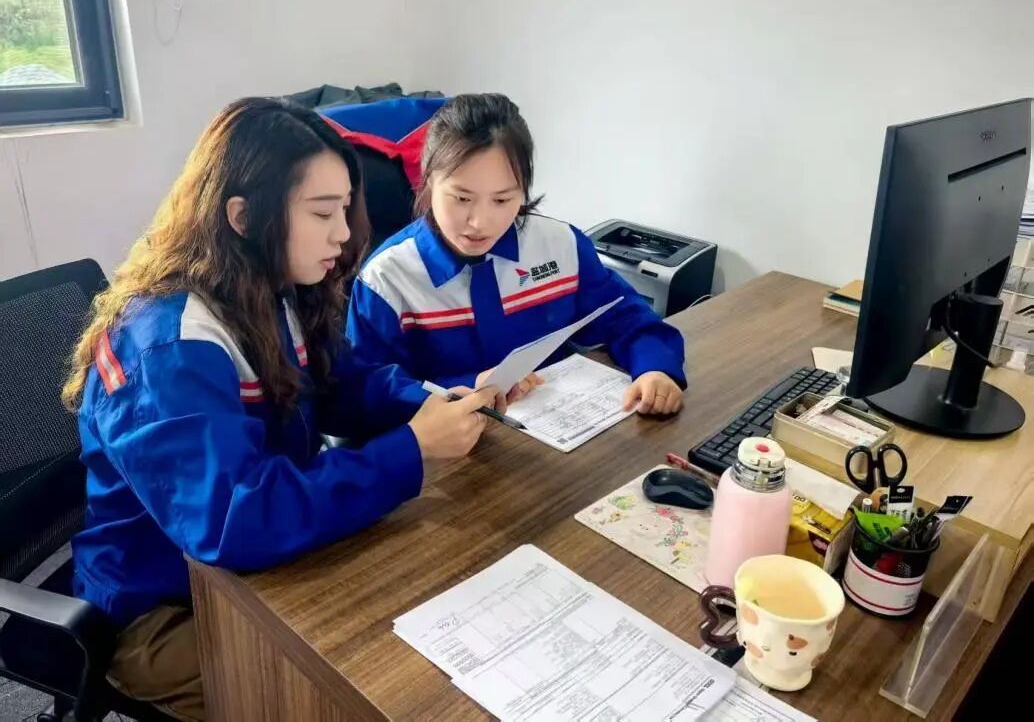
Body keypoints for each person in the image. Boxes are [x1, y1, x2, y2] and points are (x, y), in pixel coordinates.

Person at [62, 97, 496, 721]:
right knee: (344, 697)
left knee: (425, 623)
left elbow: (336, 385)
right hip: (159, 606)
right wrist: (411, 451)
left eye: (344, 209)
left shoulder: (267, 287)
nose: (343, 233)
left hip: (259, 566)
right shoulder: (170, 346)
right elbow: (235, 519)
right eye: (322, 212)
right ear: (243, 216)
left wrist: (429, 402)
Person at [347, 93, 686, 413]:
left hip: (557, 426)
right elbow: (368, 391)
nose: (480, 222)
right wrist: (467, 387)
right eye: (462, 198)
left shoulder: (560, 245)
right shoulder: (387, 279)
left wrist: (654, 368)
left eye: (502, 199)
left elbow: (625, 317)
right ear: (428, 180)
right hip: (450, 444)